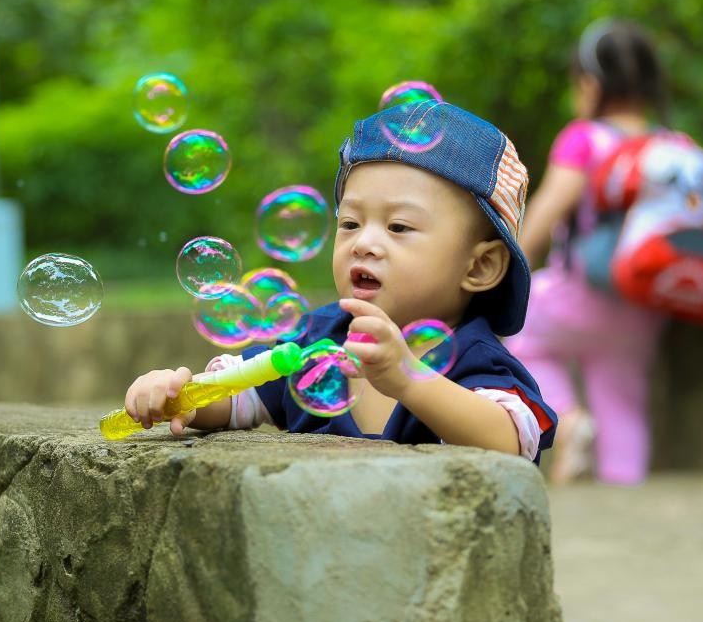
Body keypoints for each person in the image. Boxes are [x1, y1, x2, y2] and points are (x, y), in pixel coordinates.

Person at [125, 101, 557, 463]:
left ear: (479, 267)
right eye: (350, 222)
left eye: (399, 227)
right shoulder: (315, 340)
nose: (364, 243)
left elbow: (510, 443)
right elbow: (240, 399)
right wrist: (178, 396)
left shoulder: (473, 358)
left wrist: (407, 377)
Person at [504, 20, 668, 484]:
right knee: (623, 403)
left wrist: (506, 261)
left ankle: (569, 420)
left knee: (518, 334)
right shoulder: (672, 145)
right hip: (643, 308)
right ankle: (624, 494)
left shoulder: (585, 139)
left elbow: (548, 211)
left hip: (578, 298)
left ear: (590, 83)